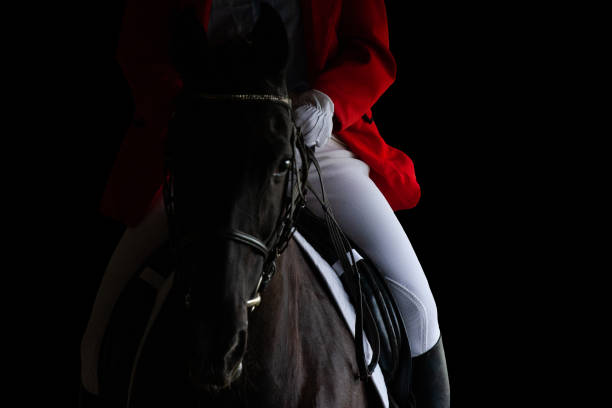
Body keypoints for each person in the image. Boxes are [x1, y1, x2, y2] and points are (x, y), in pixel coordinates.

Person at [84, 0, 450, 406]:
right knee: (95, 341)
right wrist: (185, 109)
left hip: (305, 131)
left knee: (418, 312)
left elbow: (370, 50)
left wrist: (328, 101)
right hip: (206, 141)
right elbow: (140, 48)